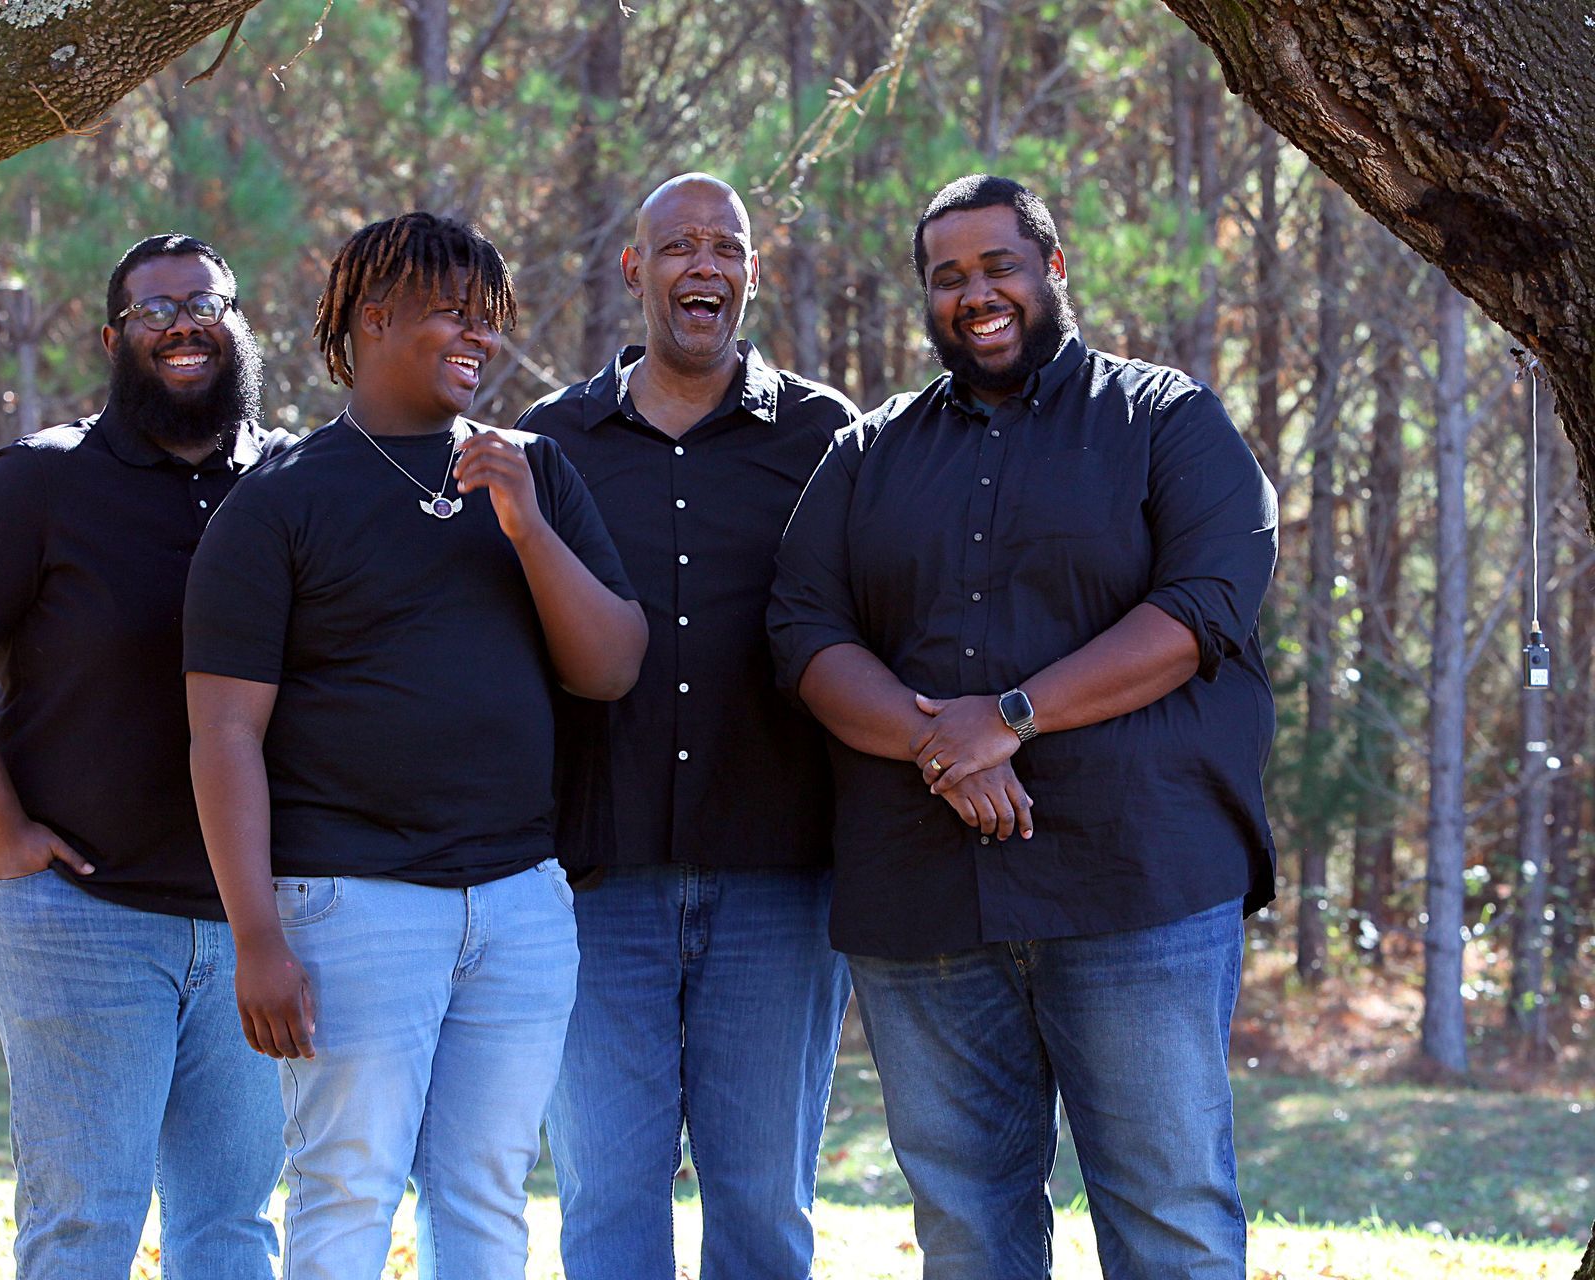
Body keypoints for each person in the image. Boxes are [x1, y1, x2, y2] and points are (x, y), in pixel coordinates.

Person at [768, 174, 1279, 1279]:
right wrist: (933, 743)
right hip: (925, 900)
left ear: (1054, 267)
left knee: (1170, 1218)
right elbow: (803, 629)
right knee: (967, 1228)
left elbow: (1206, 605)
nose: (975, 294)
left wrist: (1010, 717)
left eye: (998, 265)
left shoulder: (1165, 418)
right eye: (947, 278)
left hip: (1133, 885)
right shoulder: (868, 452)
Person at [182, 211, 647, 1280]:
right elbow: (223, 733)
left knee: (485, 1189)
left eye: (489, 318)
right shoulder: (280, 502)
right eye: (451, 312)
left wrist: (527, 523)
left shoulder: (535, 474)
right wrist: (257, 934)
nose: (478, 337)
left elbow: (611, 663)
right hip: (352, 903)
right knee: (348, 1181)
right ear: (372, 317)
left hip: (520, 899)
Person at [0, 233, 292, 1279]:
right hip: (84, 914)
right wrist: (2, 828)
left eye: (205, 303)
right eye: (155, 309)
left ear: (241, 322)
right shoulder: (46, 478)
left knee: (235, 1223)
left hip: (253, 924)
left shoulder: (291, 478)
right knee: (85, 1222)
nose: (182, 324)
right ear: (113, 337)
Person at [518, 172, 856, 1280]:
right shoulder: (548, 445)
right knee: (608, 1204)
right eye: (678, 245)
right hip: (594, 880)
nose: (702, 264)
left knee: (762, 1209)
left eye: (726, 246)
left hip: (780, 879)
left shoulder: (826, 436)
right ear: (635, 270)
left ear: (752, 273)